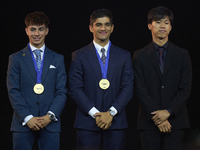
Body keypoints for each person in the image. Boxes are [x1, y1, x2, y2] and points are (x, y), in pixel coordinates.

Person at [69, 9, 134, 150]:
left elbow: (128, 88)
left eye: (107, 24)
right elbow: (75, 88)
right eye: (98, 25)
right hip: (87, 123)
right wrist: (95, 114)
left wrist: (111, 113)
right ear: (91, 28)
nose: (103, 28)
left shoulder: (124, 55)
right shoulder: (79, 55)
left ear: (112, 27)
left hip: (115, 123)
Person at [133, 6, 192, 150]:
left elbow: (185, 88)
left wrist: (168, 112)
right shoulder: (139, 56)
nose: (162, 26)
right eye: (158, 22)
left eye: (166, 22)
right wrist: (157, 118)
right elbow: (139, 89)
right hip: (148, 123)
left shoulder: (182, 55)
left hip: (176, 122)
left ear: (171, 27)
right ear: (149, 26)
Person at [6, 12, 67, 150]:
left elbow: (62, 91)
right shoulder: (15, 59)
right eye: (33, 29)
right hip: (23, 123)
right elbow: (13, 90)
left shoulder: (57, 59)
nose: (37, 33)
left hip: (50, 123)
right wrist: (27, 117)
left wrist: (49, 116)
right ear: (26, 30)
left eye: (40, 29)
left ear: (47, 31)